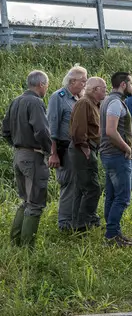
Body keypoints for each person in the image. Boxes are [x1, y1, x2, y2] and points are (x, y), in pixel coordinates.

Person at [1, 71, 52, 247]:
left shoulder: (16, 101)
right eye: (47, 85)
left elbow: (5, 131)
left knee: (25, 201)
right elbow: (42, 131)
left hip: (18, 155)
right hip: (33, 156)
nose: (46, 88)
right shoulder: (36, 102)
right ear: (41, 85)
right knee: (36, 202)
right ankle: (27, 248)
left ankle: (15, 243)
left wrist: (18, 145)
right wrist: (49, 150)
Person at [47, 64, 87, 232]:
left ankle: (75, 221)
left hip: (77, 149)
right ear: (72, 81)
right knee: (68, 185)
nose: (85, 84)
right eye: (82, 81)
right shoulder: (59, 97)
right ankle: (64, 224)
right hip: (64, 148)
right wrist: (53, 153)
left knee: (78, 185)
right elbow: (52, 128)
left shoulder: (79, 98)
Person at [99, 72, 132, 247]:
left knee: (112, 196)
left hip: (109, 154)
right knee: (122, 197)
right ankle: (112, 235)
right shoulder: (114, 103)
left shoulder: (108, 100)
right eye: (131, 83)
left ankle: (114, 232)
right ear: (123, 84)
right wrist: (127, 148)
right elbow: (111, 131)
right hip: (116, 155)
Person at [69, 76, 107, 232]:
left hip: (88, 148)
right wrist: (84, 147)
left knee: (82, 187)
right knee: (92, 188)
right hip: (83, 148)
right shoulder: (84, 103)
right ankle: (84, 223)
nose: (106, 91)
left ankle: (78, 223)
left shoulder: (94, 104)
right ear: (95, 89)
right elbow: (78, 128)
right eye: (104, 88)